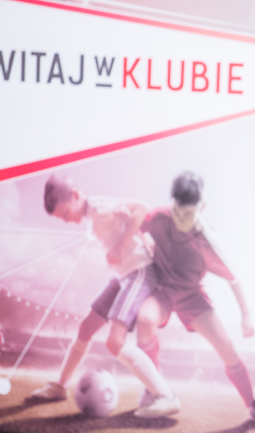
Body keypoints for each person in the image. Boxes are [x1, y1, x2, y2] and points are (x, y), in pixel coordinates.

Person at [28, 175, 180, 418]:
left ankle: (165, 396)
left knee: (114, 342)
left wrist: (121, 245)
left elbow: (141, 208)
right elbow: (128, 219)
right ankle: (60, 387)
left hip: (139, 272)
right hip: (123, 276)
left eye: (65, 213)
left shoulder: (98, 207)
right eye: (61, 218)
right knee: (86, 328)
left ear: (76, 195)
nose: (66, 220)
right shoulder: (92, 215)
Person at [135, 172, 255, 427]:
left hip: (192, 296)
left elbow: (234, 279)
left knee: (226, 347)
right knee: (144, 320)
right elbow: (135, 225)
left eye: (188, 214)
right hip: (163, 290)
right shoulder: (158, 217)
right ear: (171, 202)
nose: (181, 219)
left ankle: (252, 405)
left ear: (202, 208)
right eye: (177, 212)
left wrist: (246, 316)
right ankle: (154, 385)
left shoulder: (208, 241)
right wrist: (144, 243)